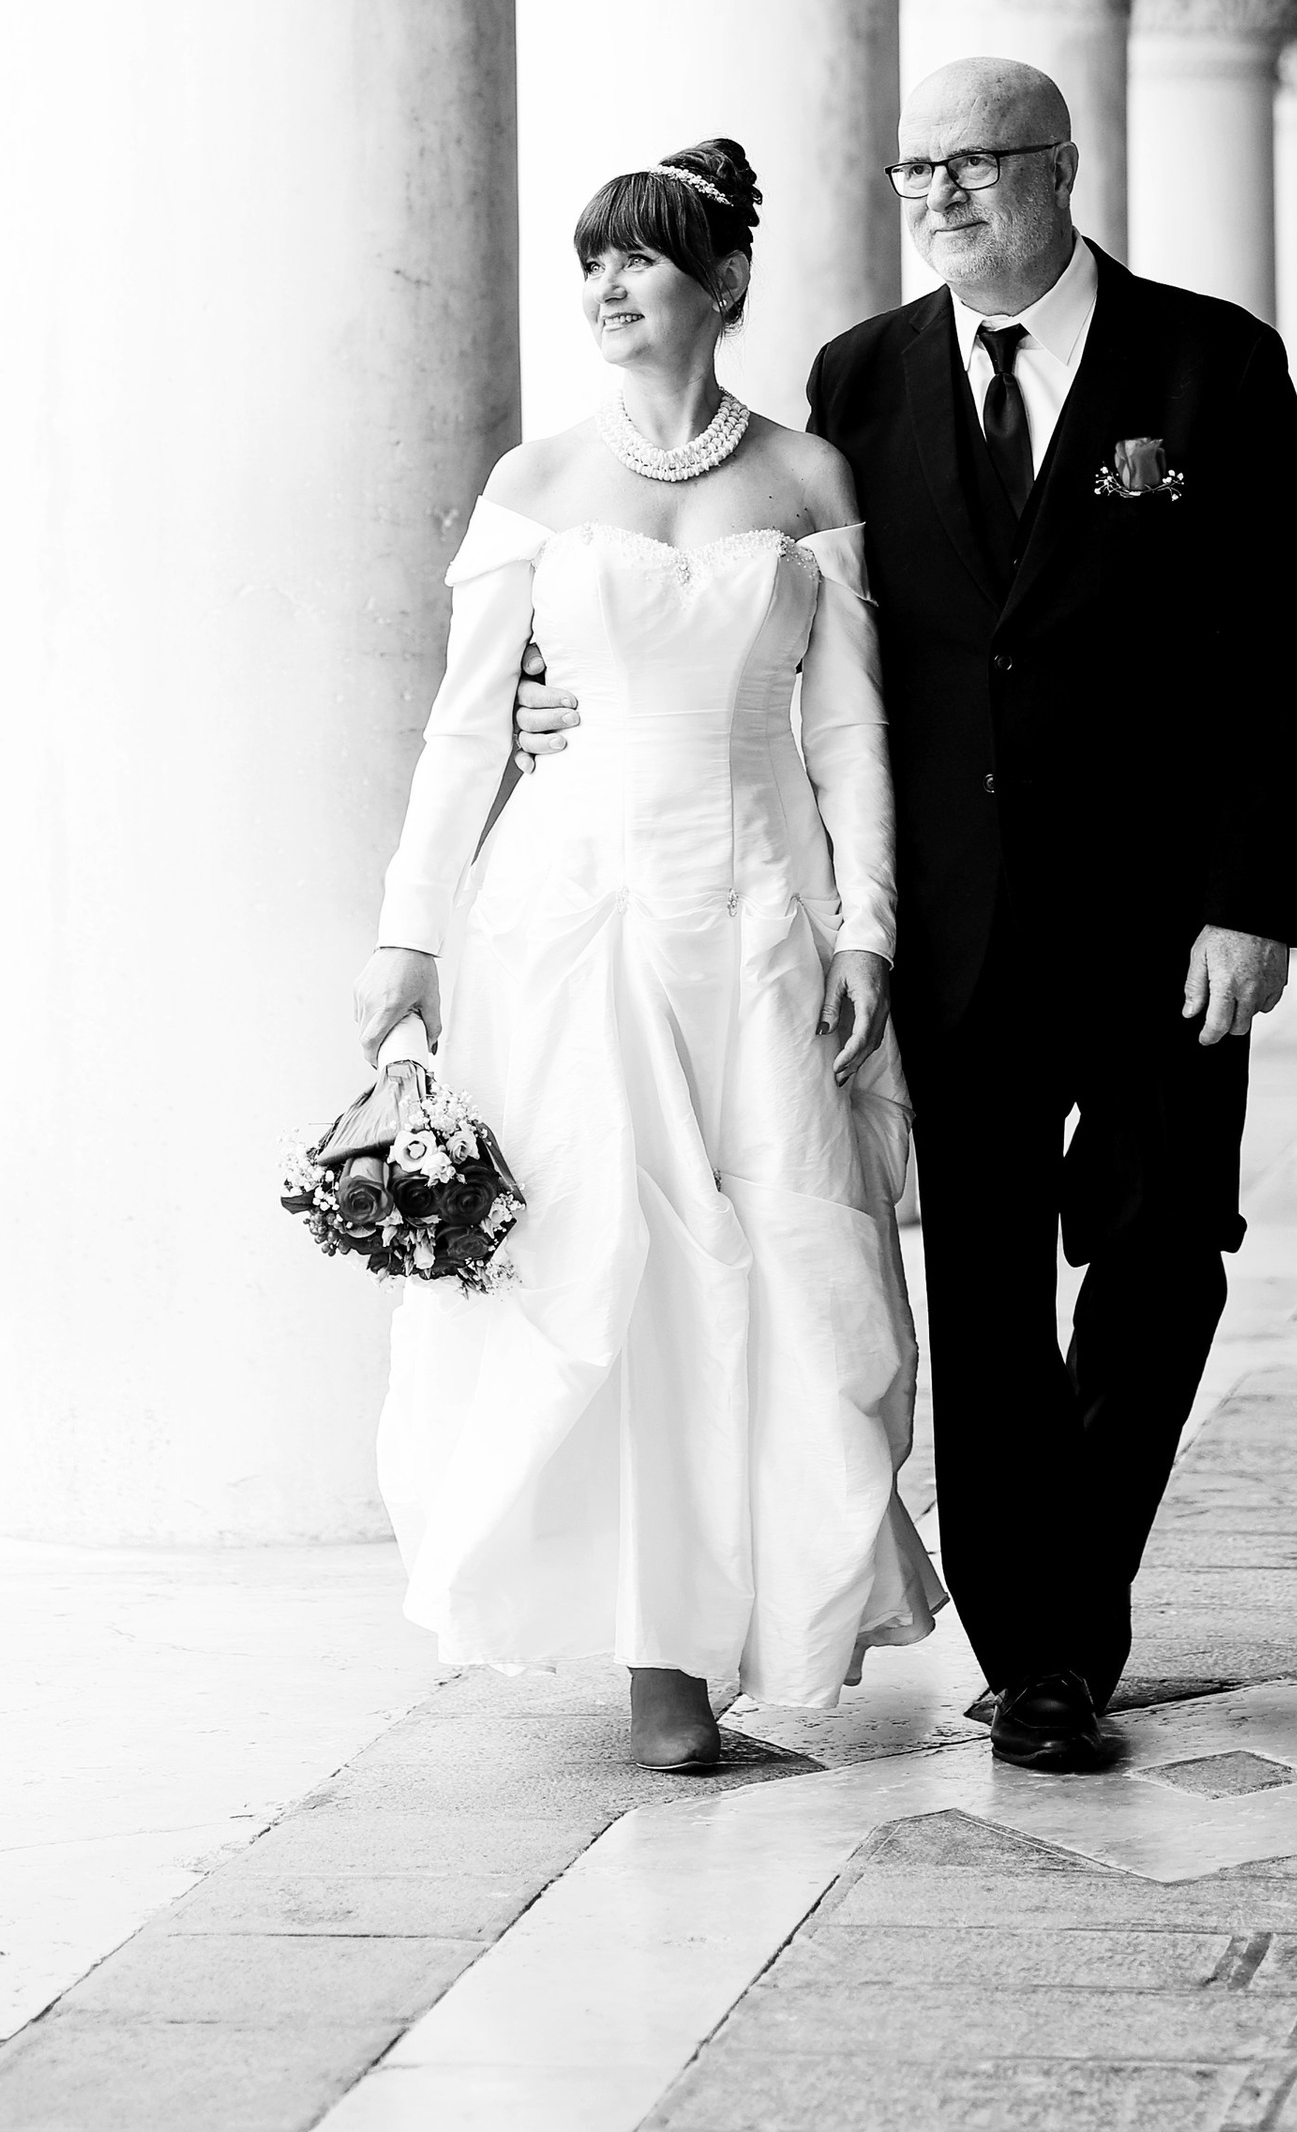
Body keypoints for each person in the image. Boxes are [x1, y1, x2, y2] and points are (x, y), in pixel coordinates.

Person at [516, 60, 1297, 1775]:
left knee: (1167, 1250)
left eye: (979, 165)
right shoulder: (860, 384)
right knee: (978, 1292)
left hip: (1165, 920)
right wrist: (568, 699)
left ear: (1061, 170)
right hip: (957, 927)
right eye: (917, 172)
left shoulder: (1211, 362)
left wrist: (1247, 902)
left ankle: (1078, 1577)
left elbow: (1277, 649)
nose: (946, 197)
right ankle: (1041, 1648)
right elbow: (804, 653)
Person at [353, 138, 944, 1774]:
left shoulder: (810, 483)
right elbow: (466, 735)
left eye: (646, 262)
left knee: (777, 1285)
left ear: (726, 288)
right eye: (593, 261)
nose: (610, 288)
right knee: (611, 1273)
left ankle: (722, 1652)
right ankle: (661, 1687)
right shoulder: (537, 486)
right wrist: (408, 938)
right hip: (572, 925)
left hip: (759, 926)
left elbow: (850, 738)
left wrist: (869, 930)